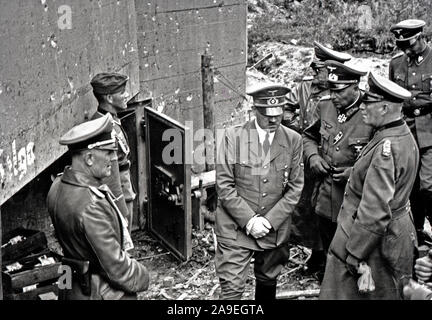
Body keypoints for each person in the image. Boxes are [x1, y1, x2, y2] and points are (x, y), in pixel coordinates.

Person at [320, 73, 418, 300]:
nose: (362, 107)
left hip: (375, 241)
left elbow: (375, 210)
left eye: (369, 102)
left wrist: (354, 254)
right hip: (394, 233)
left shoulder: (386, 147)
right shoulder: (400, 135)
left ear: (384, 108)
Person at [215, 83, 304, 300]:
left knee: (268, 280)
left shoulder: (293, 140)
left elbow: (295, 187)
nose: (273, 120)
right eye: (266, 115)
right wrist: (249, 221)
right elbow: (224, 185)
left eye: (278, 113)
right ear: (254, 110)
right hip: (236, 228)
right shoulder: (232, 137)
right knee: (232, 288)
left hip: (274, 229)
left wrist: (269, 221)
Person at [47, 114, 149, 300]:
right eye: (108, 153)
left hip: (71, 285)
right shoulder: (92, 206)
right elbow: (117, 269)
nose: (113, 158)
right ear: (89, 159)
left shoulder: (57, 186)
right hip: (97, 292)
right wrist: (143, 275)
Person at [285, 41, 352, 276]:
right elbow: (288, 109)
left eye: (320, 69)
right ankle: (315, 254)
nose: (316, 73)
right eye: (316, 69)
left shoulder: (341, 95)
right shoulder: (305, 88)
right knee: (306, 207)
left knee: (328, 210)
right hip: (308, 158)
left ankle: (327, 260)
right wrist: (296, 128)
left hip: (331, 162)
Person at [302, 60, 372, 256]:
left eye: (339, 91)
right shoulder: (325, 106)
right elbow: (308, 136)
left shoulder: (371, 110)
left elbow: (383, 155)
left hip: (356, 199)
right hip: (326, 196)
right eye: (331, 90)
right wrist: (313, 157)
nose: (333, 96)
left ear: (355, 86)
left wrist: (355, 172)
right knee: (328, 245)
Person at [389, 19, 432, 245]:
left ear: (421, 36)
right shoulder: (396, 64)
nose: (406, 49)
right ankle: (416, 234)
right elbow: (391, 98)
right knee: (409, 186)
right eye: (402, 45)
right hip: (406, 131)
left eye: (410, 44)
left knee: (428, 185)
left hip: (430, 131)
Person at [90, 72, 135, 231]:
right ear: (109, 98)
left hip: (122, 185)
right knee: (122, 233)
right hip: (119, 191)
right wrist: (121, 206)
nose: (126, 95)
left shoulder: (107, 119)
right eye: (122, 92)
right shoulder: (105, 129)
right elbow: (110, 175)